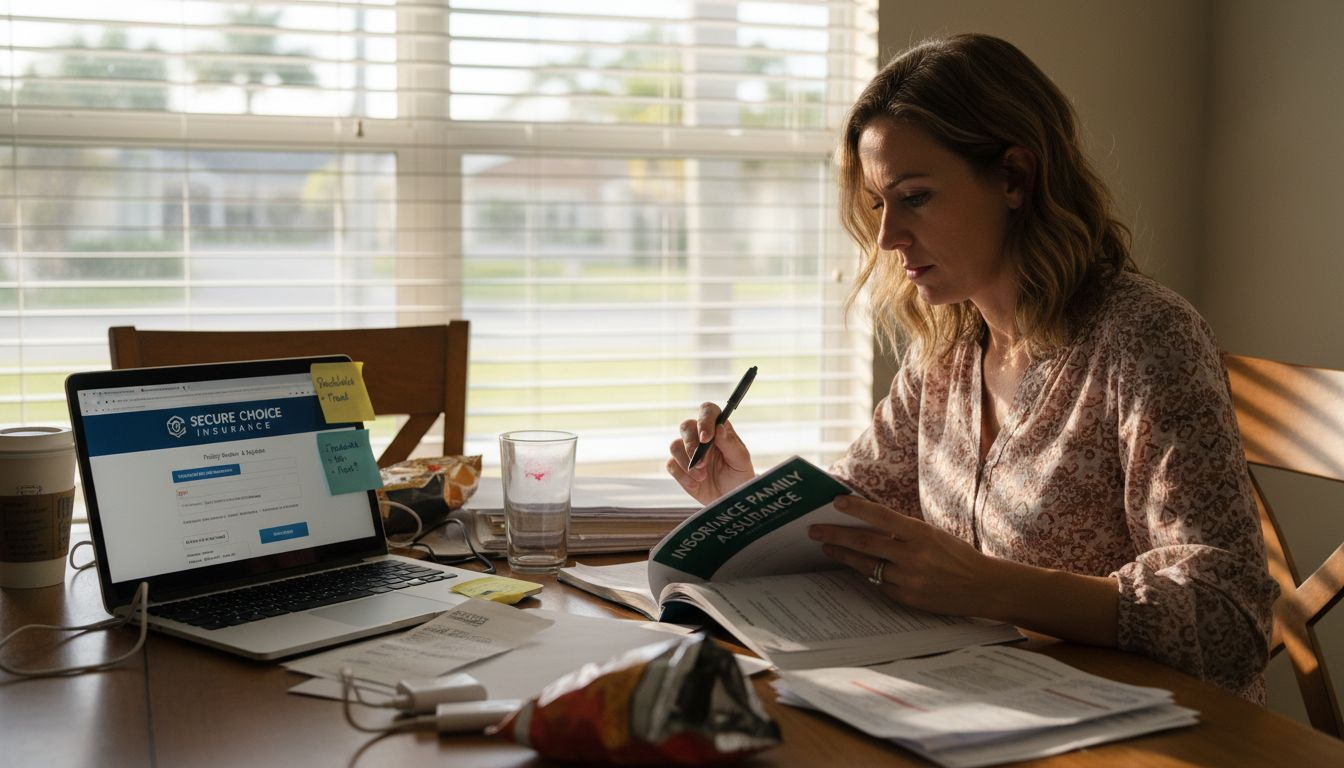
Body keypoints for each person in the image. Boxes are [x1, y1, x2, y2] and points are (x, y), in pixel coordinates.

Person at [666, 33, 1278, 702]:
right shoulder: (949, 349)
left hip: (1149, 728)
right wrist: (747, 502)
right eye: (878, 204)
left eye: (916, 197)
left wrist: (987, 585)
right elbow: (859, 510)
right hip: (989, 705)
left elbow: (1229, 622)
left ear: (1014, 178)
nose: (888, 237)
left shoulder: (1145, 337)